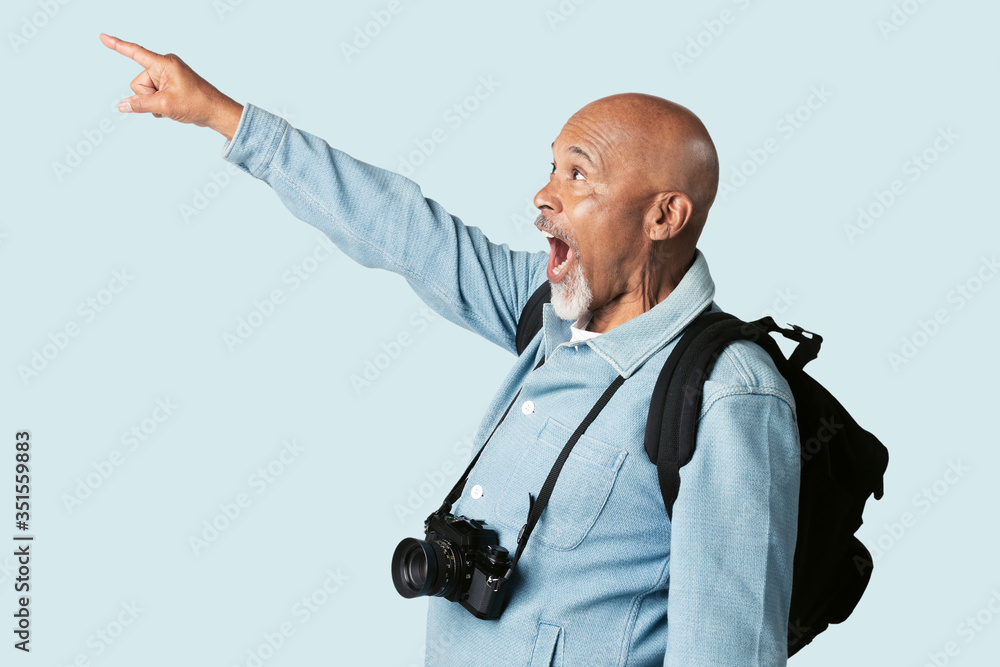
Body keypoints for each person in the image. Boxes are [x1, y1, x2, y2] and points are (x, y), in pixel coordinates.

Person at [100, 32, 801, 666]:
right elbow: (405, 231)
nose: (543, 195)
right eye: (551, 168)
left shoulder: (727, 394)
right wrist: (223, 116)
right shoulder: (553, 309)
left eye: (578, 174)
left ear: (664, 215)